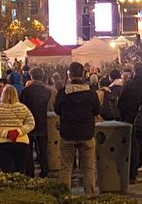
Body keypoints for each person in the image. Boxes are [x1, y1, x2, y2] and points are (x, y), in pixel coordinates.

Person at [54, 62, 100, 194]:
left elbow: (57, 110)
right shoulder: (91, 93)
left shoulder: (63, 93)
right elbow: (97, 110)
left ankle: (64, 197)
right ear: (83, 74)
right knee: (89, 168)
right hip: (86, 134)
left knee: (66, 168)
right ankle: (90, 197)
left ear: (69, 74)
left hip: (67, 134)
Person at [0, 85, 35, 173]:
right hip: (21, 142)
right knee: (20, 170)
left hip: (0, 142)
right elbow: (31, 123)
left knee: (8, 170)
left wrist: (5, 133)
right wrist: (18, 132)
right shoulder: (23, 108)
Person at [118, 63, 142, 182]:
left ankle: (132, 172)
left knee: (134, 146)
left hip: (131, 118)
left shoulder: (129, 86)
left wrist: (124, 115)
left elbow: (121, 103)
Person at [20, 67, 53, 178]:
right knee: (43, 149)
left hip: (29, 123)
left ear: (31, 76)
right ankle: (45, 170)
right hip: (42, 122)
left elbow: (22, 107)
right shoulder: (47, 91)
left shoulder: (26, 91)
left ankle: (30, 171)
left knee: (28, 149)